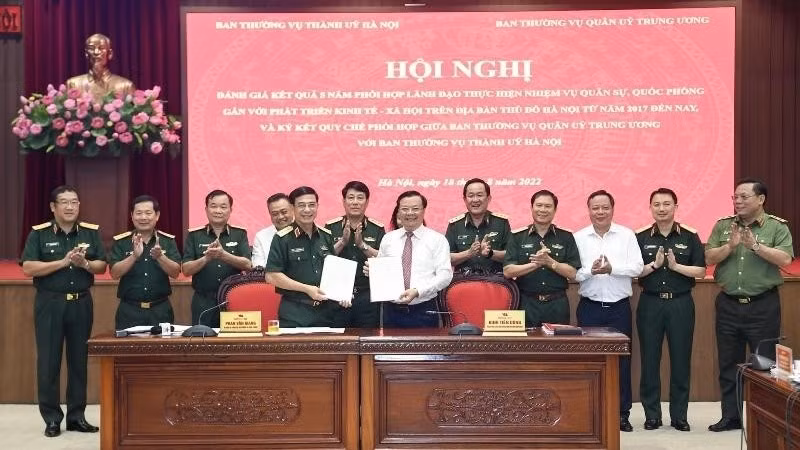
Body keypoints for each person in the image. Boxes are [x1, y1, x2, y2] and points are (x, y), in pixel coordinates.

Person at [705, 178, 793, 432]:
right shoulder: (723, 226)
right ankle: (731, 417)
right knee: (728, 364)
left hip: (762, 306)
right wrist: (730, 246)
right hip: (729, 305)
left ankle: (765, 420)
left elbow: (785, 258)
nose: (738, 201)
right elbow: (709, 257)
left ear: (761, 199)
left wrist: (755, 246)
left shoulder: (776, 227)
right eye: (735, 197)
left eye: (744, 197)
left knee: (764, 365)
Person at [20, 186, 106, 437]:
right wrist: (63, 262)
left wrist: (85, 263)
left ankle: (77, 417)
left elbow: (101, 266)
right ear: (53, 207)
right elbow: (28, 268)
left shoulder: (91, 233)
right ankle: (52, 418)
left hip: (81, 303)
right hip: (50, 303)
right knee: (49, 362)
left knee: (79, 361)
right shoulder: (39, 234)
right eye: (64, 202)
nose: (70, 207)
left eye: (74, 202)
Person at [635, 188, 705, 432]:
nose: (662, 208)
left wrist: (676, 267)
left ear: (676, 206)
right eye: (656, 204)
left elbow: (701, 271)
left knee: (680, 360)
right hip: (650, 303)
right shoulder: (641, 236)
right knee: (650, 360)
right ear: (650, 207)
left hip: (680, 303)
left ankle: (679, 416)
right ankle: (652, 415)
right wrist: (654, 265)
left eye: (667, 204)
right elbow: (635, 272)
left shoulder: (689, 235)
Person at [573, 190, 643, 432]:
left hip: (619, 308)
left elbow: (637, 267)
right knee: (589, 363)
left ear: (613, 209)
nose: (600, 212)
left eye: (605, 208)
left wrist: (612, 269)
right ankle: (590, 410)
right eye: (595, 208)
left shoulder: (626, 235)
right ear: (589, 210)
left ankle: (622, 413)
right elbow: (573, 272)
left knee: (621, 362)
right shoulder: (579, 237)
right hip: (589, 308)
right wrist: (590, 271)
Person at [265, 186, 349, 327]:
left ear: (317, 206)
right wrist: (307, 289)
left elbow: (333, 272)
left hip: (326, 314)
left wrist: (343, 294)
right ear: (292, 208)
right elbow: (272, 276)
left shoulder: (326, 236)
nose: (307, 210)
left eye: (312, 205)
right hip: (294, 314)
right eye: (301, 205)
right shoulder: (282, 238)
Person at [503, 190, 580, 327]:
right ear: (532, 208)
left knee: (557, 347)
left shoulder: (566, 237)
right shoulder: (517, 236)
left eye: (548, 206)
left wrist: (550, 262)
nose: (543, 210)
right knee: (526, 347)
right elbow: (508, 271)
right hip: (526, 303)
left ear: (555, 210)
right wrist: (535, 264)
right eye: (539, 205)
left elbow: (573, 273)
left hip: (557, 304)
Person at [376, 191, 453, 327]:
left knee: (425, 349)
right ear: (398, 212)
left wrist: (418, 291)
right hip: (391, 311)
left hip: (424, 309)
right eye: (405, 209)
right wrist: (373, 272)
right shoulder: (388, 239)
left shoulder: (437, 240)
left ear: (424, 210)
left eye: (415, 209)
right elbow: (383, 271)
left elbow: (445, 275)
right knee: (389, 348)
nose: (410, 213)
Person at [109, 195, 181, 329]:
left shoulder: (167, 241)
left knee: (162, 350)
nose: (143, 217)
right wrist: (134, 256)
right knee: (128, 350)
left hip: (161, 310)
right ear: (132, 215)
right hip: (129, 310)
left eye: (148, 213)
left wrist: (161, 257)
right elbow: (114, 273)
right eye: (139, 213)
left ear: (157, 215)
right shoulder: (122, 242)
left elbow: (176, 272)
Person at [181, 190, 251, 327]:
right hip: (203, 301)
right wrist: (206, 258)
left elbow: (248, 265)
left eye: (223, 207)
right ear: (206, 209)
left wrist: (223, 255)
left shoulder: (240, 234)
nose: (218, 210)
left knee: (233, 343)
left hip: (232, 299)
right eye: (213, 206)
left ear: (231, 210)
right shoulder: (194, 235)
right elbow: (186, 270)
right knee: (201, 344)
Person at [327, 181, 385, 327]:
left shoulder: (377, 228)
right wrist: (343, 242)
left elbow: (383, 260)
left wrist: (362, 245)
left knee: (367, 342)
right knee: (338, 344)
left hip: (367, 296)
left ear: (367, 202)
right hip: (336, 296)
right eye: (350, 197)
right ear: (344, 201)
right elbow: (325, 259)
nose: (355, 202)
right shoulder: (330, 227)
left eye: (360, 198)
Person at [445, 178, 510, 274]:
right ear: (465, 199)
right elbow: (446, 259)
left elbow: (511, 256)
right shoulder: (455, 225)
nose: (475, 200)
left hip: (495, 282)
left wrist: (490, 253)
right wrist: (468, 253)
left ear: (488, 198)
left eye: (479, 195)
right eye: (471, 196)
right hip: (463, 283)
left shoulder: (501, 223)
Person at [66, 33, 134, 103]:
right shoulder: (73, 84)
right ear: (86, 53)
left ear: (110, 53)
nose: (96, 52)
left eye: (101, 48)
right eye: (91, 48)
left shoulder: (126, 86)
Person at [251, 193, 294, 268]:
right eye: (275, 214)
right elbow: (258, 265)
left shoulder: (304, 231)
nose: (280, 217)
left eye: (284, 212)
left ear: (292, 209)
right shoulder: (261, 236)